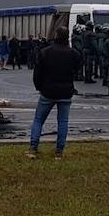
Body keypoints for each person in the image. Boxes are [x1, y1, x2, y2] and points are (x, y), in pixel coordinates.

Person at [27, 26, 82, 159]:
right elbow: (78, 68)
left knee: (39, 120)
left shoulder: (45, 52)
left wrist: (39, 87)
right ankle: (59, 151)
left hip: (48, 91)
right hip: (66, 92)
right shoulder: (73, 53)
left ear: (56, 36)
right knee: (63, 122)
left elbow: (37, 73)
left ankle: (33, 147)